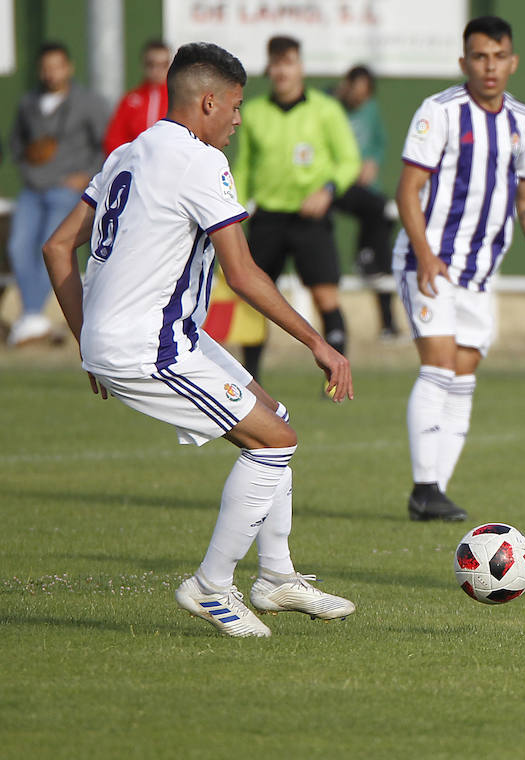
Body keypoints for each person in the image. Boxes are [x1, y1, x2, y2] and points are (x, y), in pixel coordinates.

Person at [42, 41, 356, 638]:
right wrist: (320, 343)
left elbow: (57, 247)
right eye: (235, 106)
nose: (239, 120)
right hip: (148, 344)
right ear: (208, 102)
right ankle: (212, 585)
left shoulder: (126, 154)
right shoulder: (199, 162)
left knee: (273, 416)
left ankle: (277, 577)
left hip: (153, 334)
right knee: (274, 443)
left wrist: (86, 342)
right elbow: (243, 274)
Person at [394, 16, 525, 522]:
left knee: (463, 376)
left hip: (480, 272)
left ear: (513, 62)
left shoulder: (522, 121)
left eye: (499, 56)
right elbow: (408, 189)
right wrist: (425, 254)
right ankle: (425, 486)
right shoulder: (439, 112)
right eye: (480, 57)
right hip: (432, 263)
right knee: (439, 365)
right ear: (464, 62)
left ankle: (434, 493)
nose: (490, 67)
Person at [232, 35, 361, 380]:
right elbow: (243, 166)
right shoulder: (254, 113)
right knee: (255, 299)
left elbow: (349, 160)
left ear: (300, 67)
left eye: (288, 62)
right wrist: (235, 211)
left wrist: (328, 190)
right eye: (276, 63)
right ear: (269, 68)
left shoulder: (326, 110)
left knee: (325, 297)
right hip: (267, 219)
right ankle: (251, 378)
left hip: (310, 219)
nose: (282, 71)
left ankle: (337, 374)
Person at [5, 41, 108, 346]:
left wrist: (87, 176)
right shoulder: (28, 103)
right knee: (18, 246)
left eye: (57, 67)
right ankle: (33, 316)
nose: (51, 74)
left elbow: (106, 145)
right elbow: (16, 143)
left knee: (51, 246)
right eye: (46, 68)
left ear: (69, 67)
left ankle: (33, 316)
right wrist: (27, 161)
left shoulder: (88, 102)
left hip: (67, 188)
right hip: (33, 188)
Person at [334, 64, 398, 340]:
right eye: (355, 94)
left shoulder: (370, 110)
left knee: (384, 223)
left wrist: (372, 161)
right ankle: (366, 257)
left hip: (363, 186)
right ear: (346, 85)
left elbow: (379, 142)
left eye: (364, 96)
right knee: (376, 210)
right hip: (334, 184)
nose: (359, 100)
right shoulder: (327, 104)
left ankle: (388, 322)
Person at [103, 39, 171, 156]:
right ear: (143, 64)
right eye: (151, 64)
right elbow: (114, 140)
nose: (156, 70)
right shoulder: (130, 100)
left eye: (163, 65)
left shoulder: (178, 98)